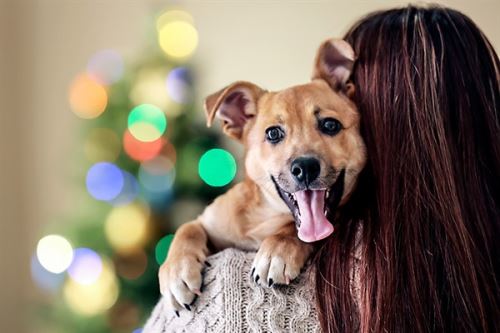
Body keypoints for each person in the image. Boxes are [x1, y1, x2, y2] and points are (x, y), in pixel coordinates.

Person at [144, 5, 499, 333]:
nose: (301, 157)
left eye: (328, 126)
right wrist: (185, 245)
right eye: (275, 135)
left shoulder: (227, 296)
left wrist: (292, 240)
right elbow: (201, 227)